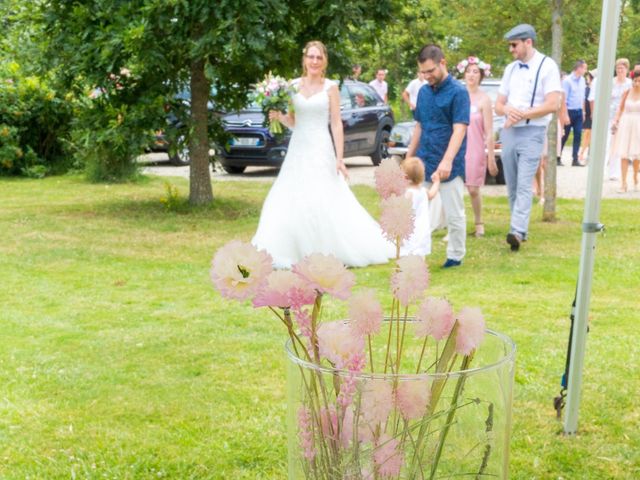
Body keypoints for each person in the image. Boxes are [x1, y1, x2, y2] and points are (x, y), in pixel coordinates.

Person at [252, 40, 394, 268]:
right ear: (305, 59)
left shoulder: (331, 88)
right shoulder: (292, 86)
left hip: (321, 147)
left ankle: (329, 250)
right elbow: (294, 122)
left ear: (324, 61)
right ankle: (292, 248)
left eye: (319, 57)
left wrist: (339, 158)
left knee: (324, 195)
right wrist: (279, 117)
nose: (315, 61)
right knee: (292, 195)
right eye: (311, 57)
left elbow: (336, 124)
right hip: (299, 148)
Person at [495, 24, 562, 252]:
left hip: (533, 132)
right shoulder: (510, 69)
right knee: (512, 185)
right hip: (509, 131)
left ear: (528, 42)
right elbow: (498, 104)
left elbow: (553, 104)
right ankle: (519, 231)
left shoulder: (547, 66)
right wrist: (507, 111)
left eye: (514, 45)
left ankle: (516, 229)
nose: (511, 50)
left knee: (525, 184)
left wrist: (523, 113)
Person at [406, 43, 470, 268]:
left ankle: (455, 255)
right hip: (425, 159)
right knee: (417, 210)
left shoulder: (459, 92)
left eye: (430, 71)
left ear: (443, 63)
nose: (426, 76)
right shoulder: (423, 92)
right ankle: (414, 252)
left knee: (454, 214)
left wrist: (447, 161)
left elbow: (460, 129)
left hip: (450, 162)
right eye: (422, 72)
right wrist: (408, 157)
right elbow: (419, 127)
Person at [458, 56, 498, 236]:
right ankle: (456, 226)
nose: (471, 75)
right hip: (457, 148)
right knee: (454, 188)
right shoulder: (458, 96)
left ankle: (478, 222)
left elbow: (489, 131)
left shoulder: (484, 100)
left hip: (475, 149)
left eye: (475, 72)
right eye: (468, 72)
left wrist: (491, 158)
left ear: (481, 76)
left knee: (473, 188)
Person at [589, 58, 632, 180]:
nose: (619, 70)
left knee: (618, 145)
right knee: (605, 143)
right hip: (608, 117)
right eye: (618, 68)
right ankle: (600, 171)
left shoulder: (629, 84)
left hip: (623, 118)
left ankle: (614, 173)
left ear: (626, 70)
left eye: (622, 68)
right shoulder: (610, 82)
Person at [399, 157, 441, 256]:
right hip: (423, 227)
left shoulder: (408, 193)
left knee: (407, 251)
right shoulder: (423, 191)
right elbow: (432, 194)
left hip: (410, 228)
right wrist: (436, 182)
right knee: (420, 252)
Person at [612, 68, 640, 192]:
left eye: (639, 81)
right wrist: (616, 120)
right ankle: (623, 183)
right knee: (623, 154)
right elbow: (620, 108)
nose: (637, 83)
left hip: (638, 124)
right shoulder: (627, 92)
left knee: (636, 155)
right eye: (635, 81)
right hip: (626, 123)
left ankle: (635, 175)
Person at [560, 60, 588, 167]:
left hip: (579, 112)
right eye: (584, 68)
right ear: (579, 68)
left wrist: (584, 112)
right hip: (569, 111)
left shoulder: (582, 80)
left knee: (577, 135)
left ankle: (575, 159)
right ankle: (558, 156)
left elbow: (582, 98)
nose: (585, 70)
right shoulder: (567, 81)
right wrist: (565, 114)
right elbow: (564, 100)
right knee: (565, 135)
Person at [578, 71, 594, 163]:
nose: (588, 78)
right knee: (587, 133)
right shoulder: (586, 89)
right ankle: (582, 153)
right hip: (588, 114)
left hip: (593, 113)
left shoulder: (595, 88)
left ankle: (584, 153)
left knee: (589, 134)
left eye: (589, 77)